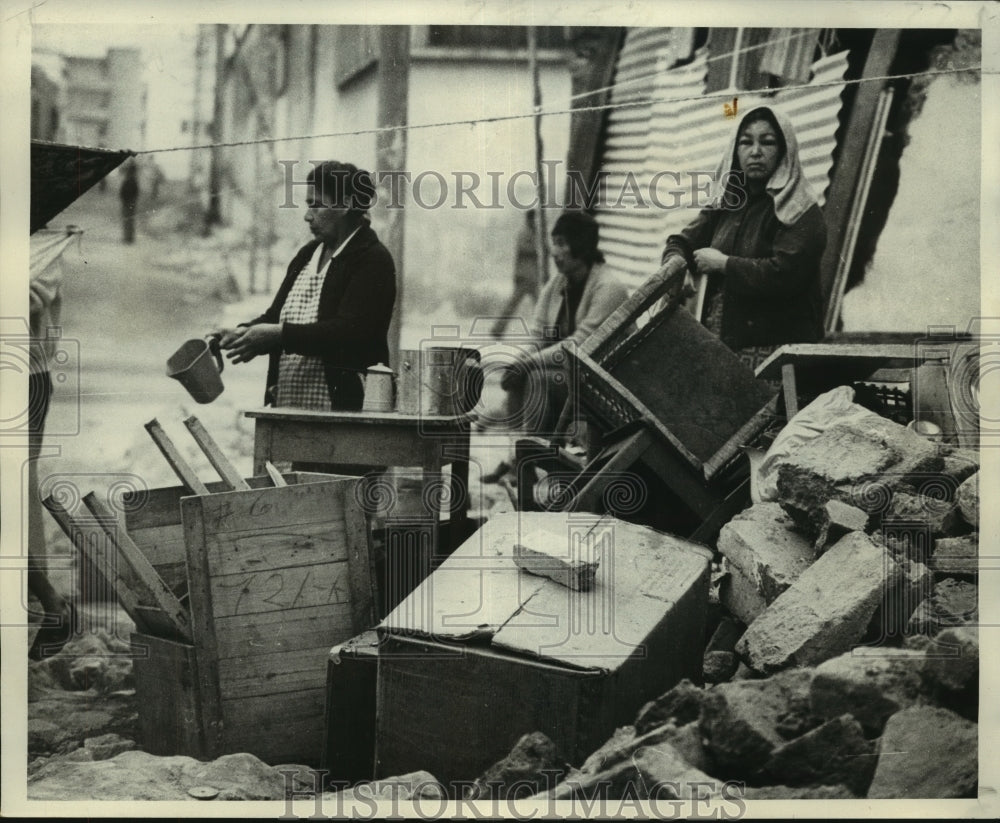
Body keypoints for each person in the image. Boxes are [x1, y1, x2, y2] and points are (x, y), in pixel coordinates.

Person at [217, 161, 396, 412]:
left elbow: (348, 333)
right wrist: (242, 334)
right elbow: (275, 316)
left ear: (345, 204)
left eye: (316, 204)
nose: (307, 215)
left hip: (344, 412)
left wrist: (279, 334)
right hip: (290, 404)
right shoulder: (309, 253)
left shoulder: (372, 259)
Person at [657, 105, 827, 370]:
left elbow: (785, 274)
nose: (755, 151)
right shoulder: (728, 203)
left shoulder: (800, 210)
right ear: (735, 151)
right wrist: (675, 268)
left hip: (778, 354)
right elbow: (680, 242)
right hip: (722, 344)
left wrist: (724, 264)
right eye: (746, 142)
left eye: (768, 142)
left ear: (784, 151)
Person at [499, 210, 629, 438]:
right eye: (553, 243)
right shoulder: (557, 284)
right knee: (516, 377)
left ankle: (530, 460)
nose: (554, 252)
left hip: (608, 385)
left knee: (538, 377)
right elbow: (539, 337)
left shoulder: (609, 287)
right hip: (574, 377)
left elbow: (580, 344)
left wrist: (528, 364)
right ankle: (519, 459)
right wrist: (520, 363)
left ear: (581, 246)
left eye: (561, 244)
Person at [491, 210, 539, 337]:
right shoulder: (525, 233)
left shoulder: (534, 233)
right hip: (524, 276)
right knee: (515, 305)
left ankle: (498, 330)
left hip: (532, 276)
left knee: (539, 305)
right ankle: (497, 330)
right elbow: (524, 249)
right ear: (530, 220)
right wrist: (539, 249)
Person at [119, 163, 139, 244]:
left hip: (128, 203)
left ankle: (128, 238)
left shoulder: (130, 180)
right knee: (129, 221)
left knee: (128, 221)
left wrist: (127, 201)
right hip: (129, 203)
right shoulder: (133, 180)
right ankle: (129, 238)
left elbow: (125, 192)